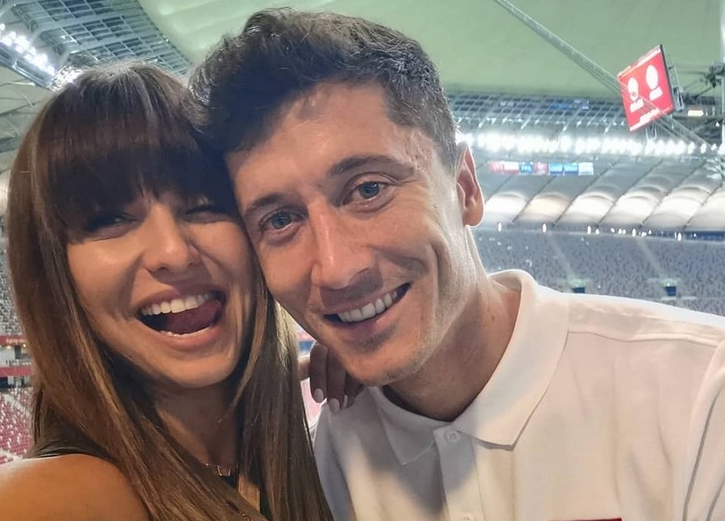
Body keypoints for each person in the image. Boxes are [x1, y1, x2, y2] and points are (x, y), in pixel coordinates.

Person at [192, 9, 725, 521]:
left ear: (465, 187)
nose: (335, 269)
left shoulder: (700, 396)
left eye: (369, 189)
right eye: (281, 220)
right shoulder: (313, 468)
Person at [0, 62, 333, 521]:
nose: (174, 253)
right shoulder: (39, 502)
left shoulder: (289, 453)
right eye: (109, 219)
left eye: (204, 205)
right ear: (52, 277)